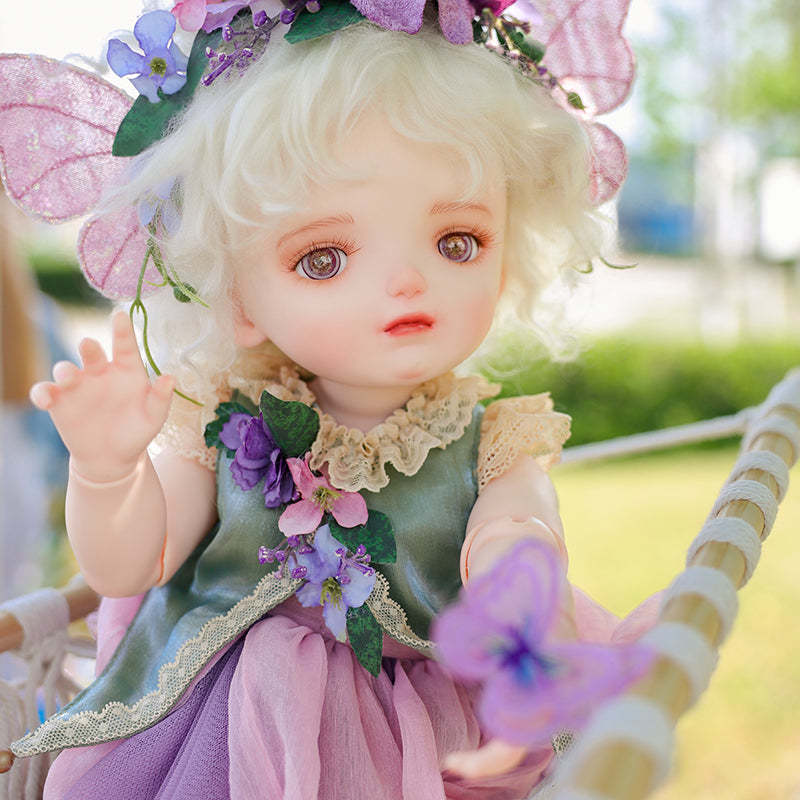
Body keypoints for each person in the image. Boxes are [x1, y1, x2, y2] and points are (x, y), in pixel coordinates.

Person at [4, 2, 657, 797]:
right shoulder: (219, 419)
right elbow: (133, 563)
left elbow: (518, 532)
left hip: (425, 726)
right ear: (239, 299)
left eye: (457, 242)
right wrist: (107, 471)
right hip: (228, 728)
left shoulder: (496, 439)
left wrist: (517, 591)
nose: (407, 281)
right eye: (324, 258)